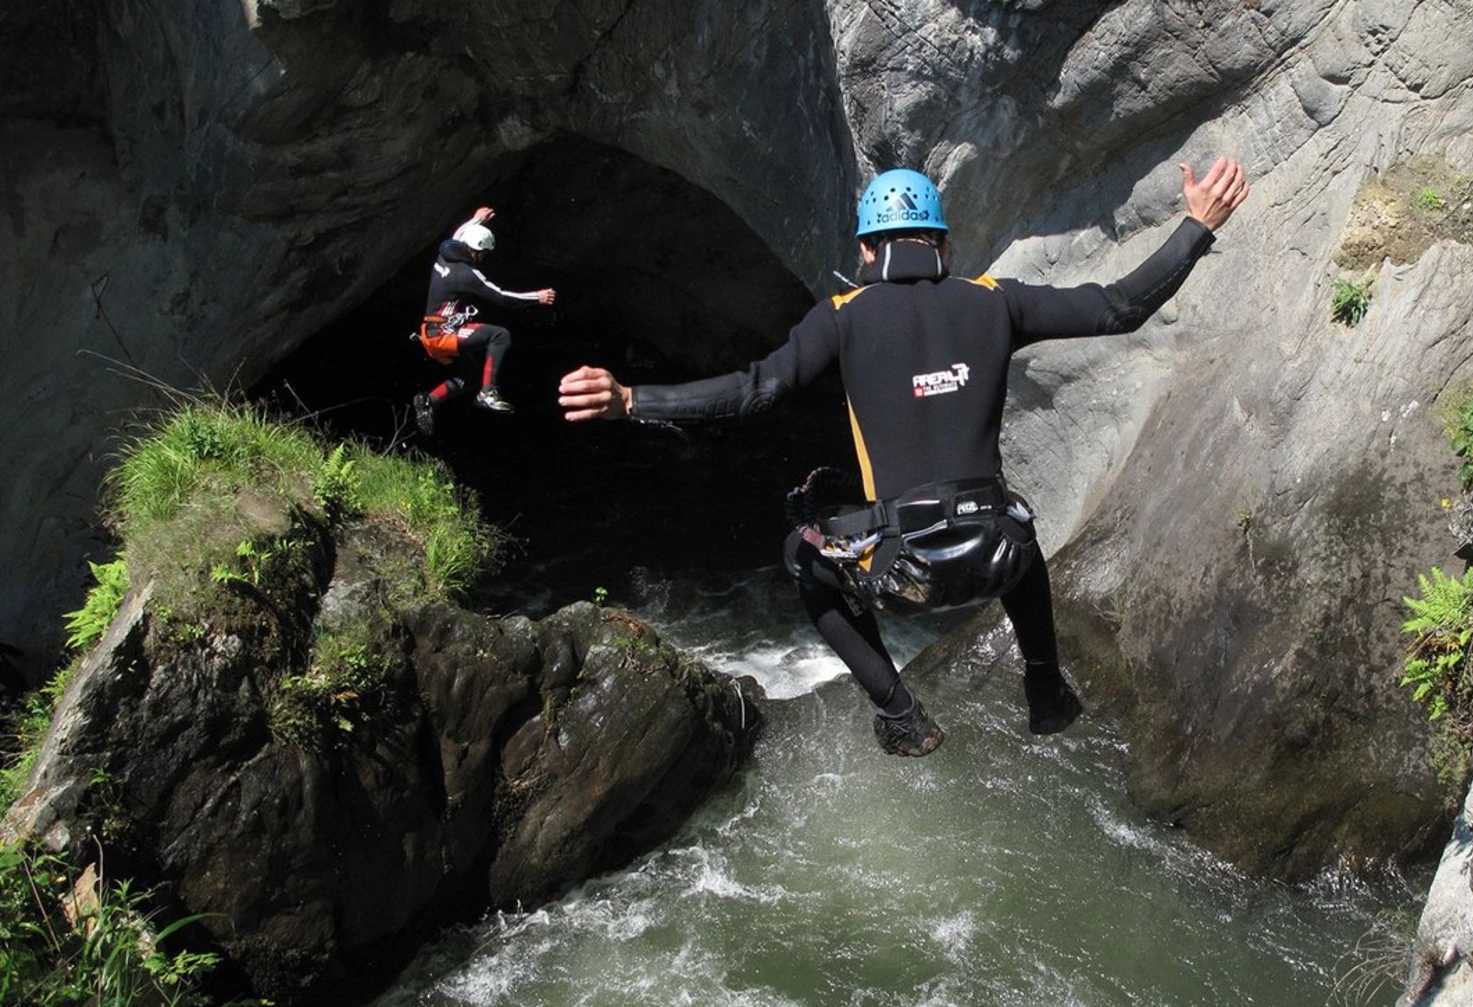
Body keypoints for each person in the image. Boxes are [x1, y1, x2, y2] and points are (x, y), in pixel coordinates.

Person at [557, 157, 1251, 756]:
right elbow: (1119, 307)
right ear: (942, 243)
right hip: (997, 556)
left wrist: (632, 399)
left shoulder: (841, 314)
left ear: (866, 251)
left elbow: (756, 388)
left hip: (903, 571)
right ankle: (1044, 685)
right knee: (1015, 520)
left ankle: (900, 713)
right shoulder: (996, 301)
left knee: (801, 554)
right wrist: (1197, 225)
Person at [412, 205, 557, 433]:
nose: (482, 259)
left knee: (469, 377)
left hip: (429, 332)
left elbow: (458, 235)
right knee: (500, 335)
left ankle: (428, 401)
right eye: (483, 254)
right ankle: (488, 393)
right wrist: (536, 297)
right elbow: (502, 297)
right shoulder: (466, 274)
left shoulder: (444, 254)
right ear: (477, 250)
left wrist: (476, 219)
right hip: (441, 335)